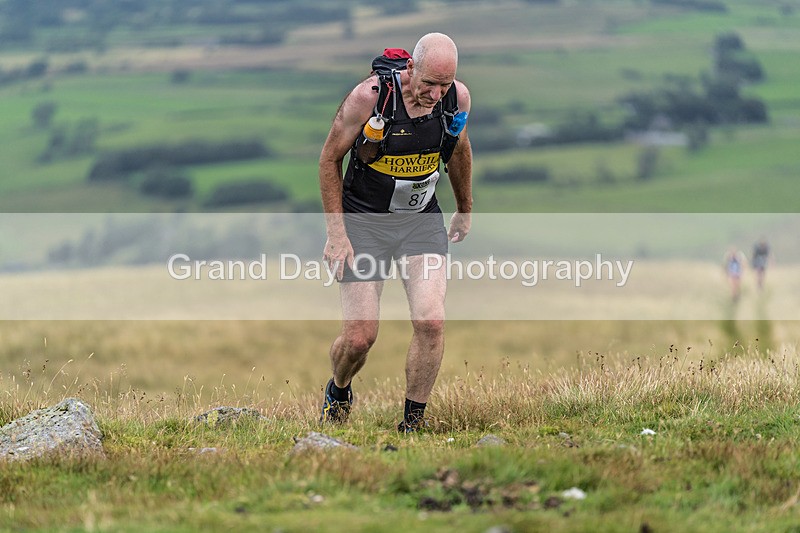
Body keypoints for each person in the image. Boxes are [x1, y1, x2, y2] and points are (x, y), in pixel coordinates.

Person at [317, 33, 472, 432]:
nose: (436, 95)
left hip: (420, 222)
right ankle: (339, 389)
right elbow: (329, 160)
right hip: (364, 224)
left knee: (431, 321)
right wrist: (337, 235)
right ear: (411, 68)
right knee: (359, 338)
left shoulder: (457, 99)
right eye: (429, 84)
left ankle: (412, 425)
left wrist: (464, 209)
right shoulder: (369, 97)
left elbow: (459, 150)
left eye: (444, 85)